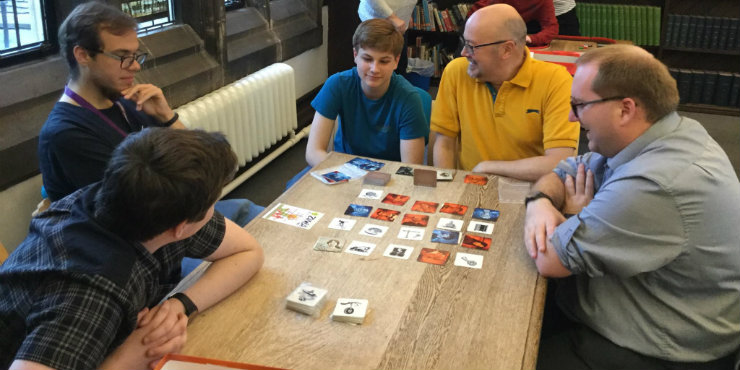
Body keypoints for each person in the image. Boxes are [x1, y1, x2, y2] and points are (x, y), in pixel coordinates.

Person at [523, 44, 740, 369]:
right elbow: (567, 170)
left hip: (662, 349)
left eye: (579, 105)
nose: (571, 116)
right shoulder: (666, 133)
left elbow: (549, 260)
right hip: (640, 304)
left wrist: (574, 214)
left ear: (625, 110)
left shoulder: (656, 183)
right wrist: (539, 203)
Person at [1, 128, 265, 370]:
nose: (214, 211)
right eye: (212, 204)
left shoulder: (136, 200)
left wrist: (179, 305)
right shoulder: (93, 295)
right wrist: (125, 359)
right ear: (182, 227)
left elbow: (248, 252)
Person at [38, 2, 262, 227]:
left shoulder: (128, 100)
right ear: (83, 55)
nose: (135, 67)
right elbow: (137, 217)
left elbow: (205, 162)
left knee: (250, 211)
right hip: (147, 240)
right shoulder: (67, 133)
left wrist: (167, 117)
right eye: (122, 56)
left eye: (136, 55)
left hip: (175, 217)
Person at [432, 4, 578, 181]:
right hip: (469, 189)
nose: (463, 53)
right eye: (464, 43)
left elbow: (558, 163)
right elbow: (445, 143)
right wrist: (446, 187)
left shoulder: (556, 81)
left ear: (507, 49)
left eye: (471, 46)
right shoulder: (455, 72)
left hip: (532, 193)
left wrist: (488, 168)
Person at [297, 18, 428, 183]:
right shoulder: (337, 84)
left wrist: (368, 179)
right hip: (344, 173)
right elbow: (313, 152)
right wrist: (352, 175)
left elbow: (410, 169)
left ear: (396, 61)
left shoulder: (409, 99)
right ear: (355, 55)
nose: (374, 69)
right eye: (367, 59)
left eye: (384, 61)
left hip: (389, 178)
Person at [358, 0, 417, 74]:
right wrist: (393, 18)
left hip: (399, 25)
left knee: (399, 65)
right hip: (377, 24)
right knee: (376, 69)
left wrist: (407, 12)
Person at [470, 0, 559, 46]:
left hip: (518, 33)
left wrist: (531, 39)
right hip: (483, 27)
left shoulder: (543, 1)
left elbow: (551, 28)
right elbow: (477, 16)